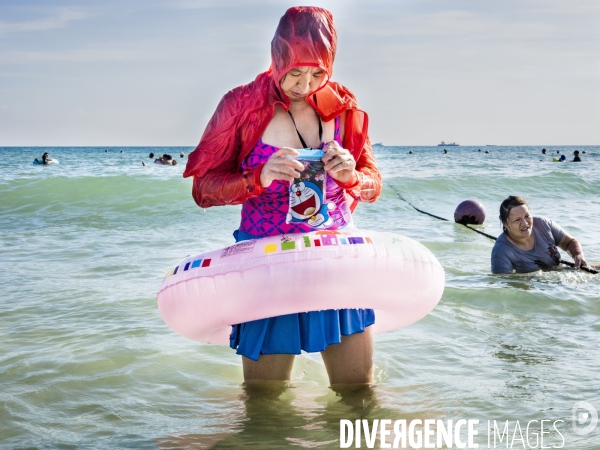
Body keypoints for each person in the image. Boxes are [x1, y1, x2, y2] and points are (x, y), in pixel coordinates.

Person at [183, 7, 381, 385]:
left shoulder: (343, 105)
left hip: (333, 256)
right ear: (277, 59)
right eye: (295, 72)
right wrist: (258, 176)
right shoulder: (240, 105)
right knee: (264, 406)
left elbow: (373, 183)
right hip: (266, 262)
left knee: (358, 393)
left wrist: (351, 176)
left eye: (318, 73)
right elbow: (203, 188)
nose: (305, 85)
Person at [491, 196, 595, 273]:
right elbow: (504, 285)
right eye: (517, 220)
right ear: (505, 223)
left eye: (527, 216)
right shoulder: (501, 252)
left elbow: (569, 242)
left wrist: (578, 255)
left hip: (562, 277)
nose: (525, 223)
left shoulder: (543, 224)